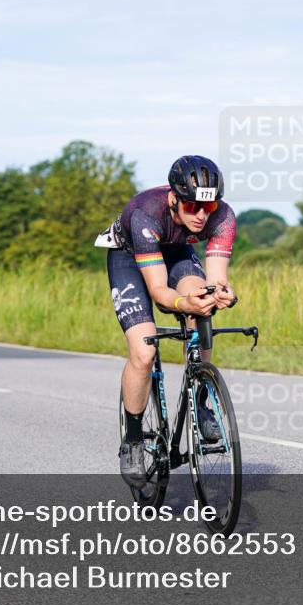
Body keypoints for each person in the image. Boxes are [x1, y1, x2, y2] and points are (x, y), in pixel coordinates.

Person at [96, 155, 238, 488]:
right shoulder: (145, 212)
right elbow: (160, 292)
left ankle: (202, 403)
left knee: (203, 303)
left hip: (177, 252)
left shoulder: (224, 217)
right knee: (144, 352)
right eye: (192, 206)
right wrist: (181, 302)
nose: (202, 215)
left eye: (209, 206)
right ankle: (133, 439)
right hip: (130, 257)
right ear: (174, 198)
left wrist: (220, 293)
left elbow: (217, 277)